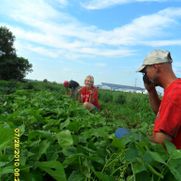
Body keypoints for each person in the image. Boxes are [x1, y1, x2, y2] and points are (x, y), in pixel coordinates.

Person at [137, 49, 181, 149]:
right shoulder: (174, 88)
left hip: (174, 162)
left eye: (146, 71)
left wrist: (134, 137)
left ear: (156, 67)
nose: (146, 76)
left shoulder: (175, 94)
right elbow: (160, 113)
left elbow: (161, 142)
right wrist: (151, 90)